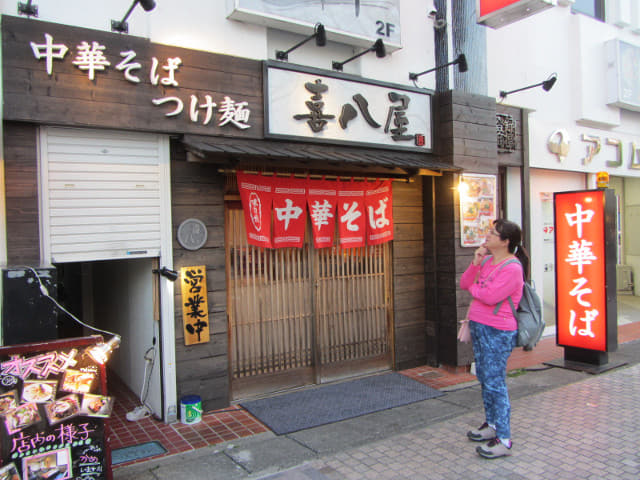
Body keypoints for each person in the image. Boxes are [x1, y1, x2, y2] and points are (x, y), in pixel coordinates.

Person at [460, 218, 529, 459]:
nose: (487, 235)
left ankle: (504, 438)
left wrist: (475, 290)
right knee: (484, 376)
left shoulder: (513, 267)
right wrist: (475, 262)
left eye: (493, 233)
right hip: (479, 326)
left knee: (495, 381)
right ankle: (491, 425)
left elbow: (489, 296)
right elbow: (465, 282)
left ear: (506, 241)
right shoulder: (487, 260)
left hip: (498, 330)